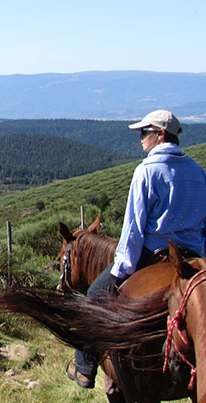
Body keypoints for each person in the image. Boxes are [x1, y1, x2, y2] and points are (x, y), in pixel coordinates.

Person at [67, 110, 206, 389]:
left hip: (152, 256)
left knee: (94, 295)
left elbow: (133, 230)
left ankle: (85, 367)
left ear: (161, 135)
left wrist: (122, 268)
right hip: (194, 259)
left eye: (145, 132)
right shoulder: (198, 170)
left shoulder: (146, 171)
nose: (141, 137)